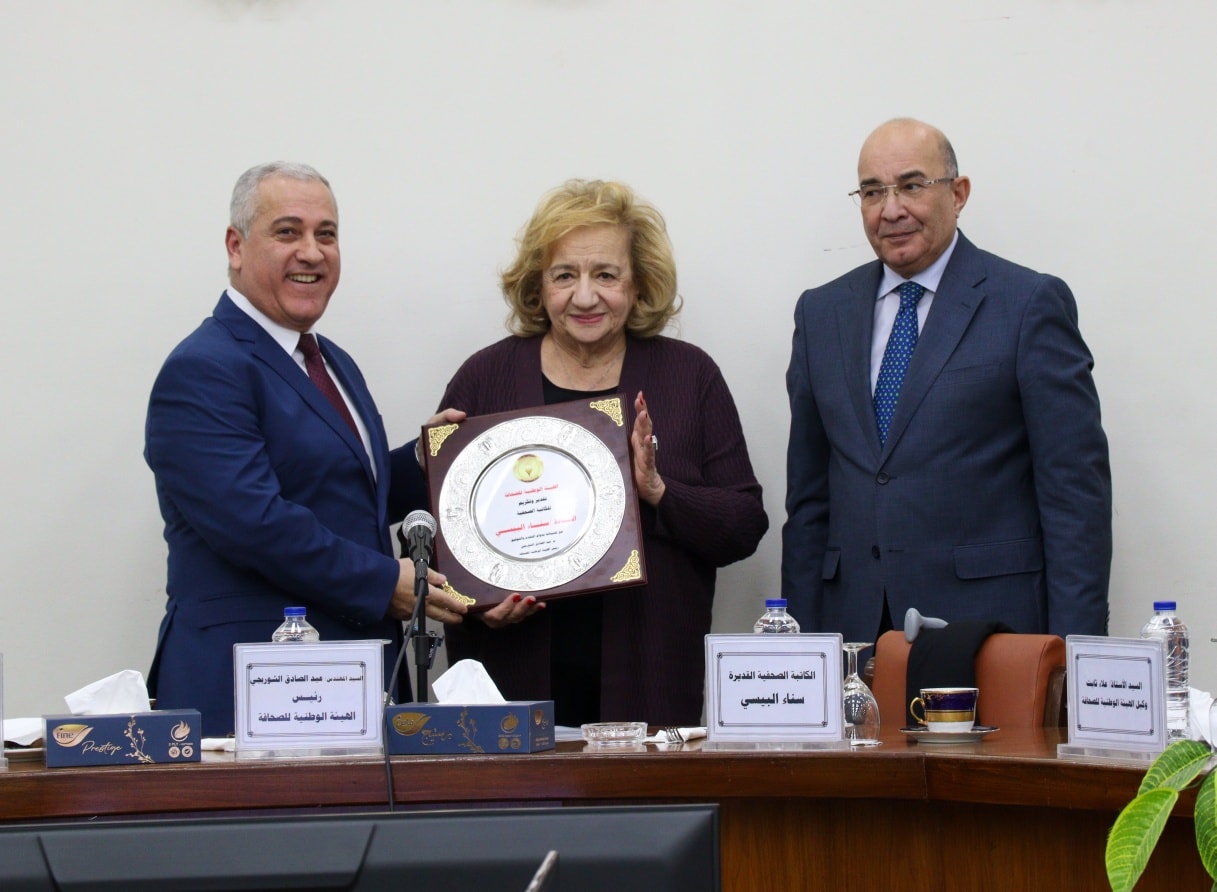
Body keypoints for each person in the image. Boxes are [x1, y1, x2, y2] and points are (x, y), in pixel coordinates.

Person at [430, 179, 768, 727]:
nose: (585, 297)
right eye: (565, 275)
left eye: (606, 275)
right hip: (512, 688)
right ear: (539, 285)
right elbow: (436, 541)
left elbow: (743, 525)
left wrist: (658, 493)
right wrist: (475, 606)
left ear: (638, 284)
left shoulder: (689, 376)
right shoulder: (486, 377)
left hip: (650, 685)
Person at [144, 161, 467, 736]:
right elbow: (253, 522)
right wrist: (380, 583)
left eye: (327, 234)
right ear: (236, 246)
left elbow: (343, 495)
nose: (312, 253)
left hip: (346, 684)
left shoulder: (331, 361)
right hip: (251, 687)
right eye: (287, 232)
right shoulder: (203, 368)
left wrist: (428, 462)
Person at [782, 118, 1112, 646]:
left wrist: (1075, 655)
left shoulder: (1028, 304)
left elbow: (1075, 498)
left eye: (912, 185)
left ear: (958, 194)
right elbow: (808, 503)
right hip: (854, 634)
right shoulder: (821, 313)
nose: (891, 209)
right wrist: (796, 653)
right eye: (872, 192)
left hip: (990, 633)